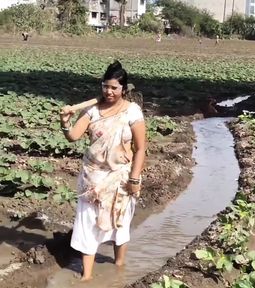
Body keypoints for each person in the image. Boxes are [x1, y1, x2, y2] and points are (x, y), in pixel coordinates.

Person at [59, 61, 146, 281]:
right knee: (86, 225)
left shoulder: (132, 112)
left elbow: (141, 148)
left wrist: (134, 179)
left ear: (123, 90)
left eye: (114, 88)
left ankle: (119, 268)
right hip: (92, 178)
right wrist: (65, 122)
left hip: (121, 178)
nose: (109, 91)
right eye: (106, 87)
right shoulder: (92, 111)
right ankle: (86, 277)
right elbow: (73, 137)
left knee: (120, 223)